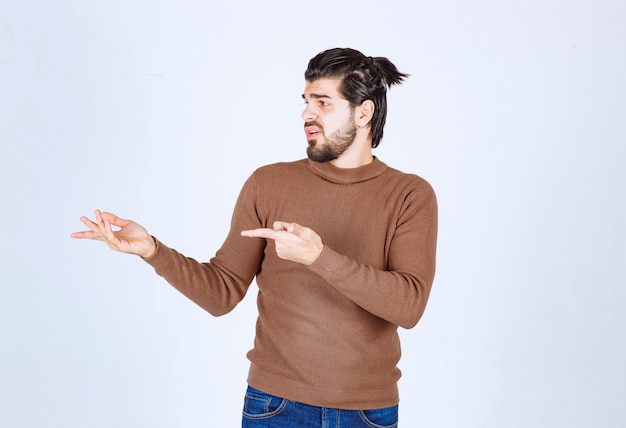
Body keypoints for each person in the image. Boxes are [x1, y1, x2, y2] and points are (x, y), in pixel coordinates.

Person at [71, 47, 438, 428]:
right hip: (275, 407)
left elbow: (408, 306)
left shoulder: (410, 194)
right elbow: (222, 292)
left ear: (364, 112)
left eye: (323, 102)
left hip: (368, 413)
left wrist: (319, 257)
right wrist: (152, 250)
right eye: (306, 101)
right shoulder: (269, 182)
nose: (307, 114)